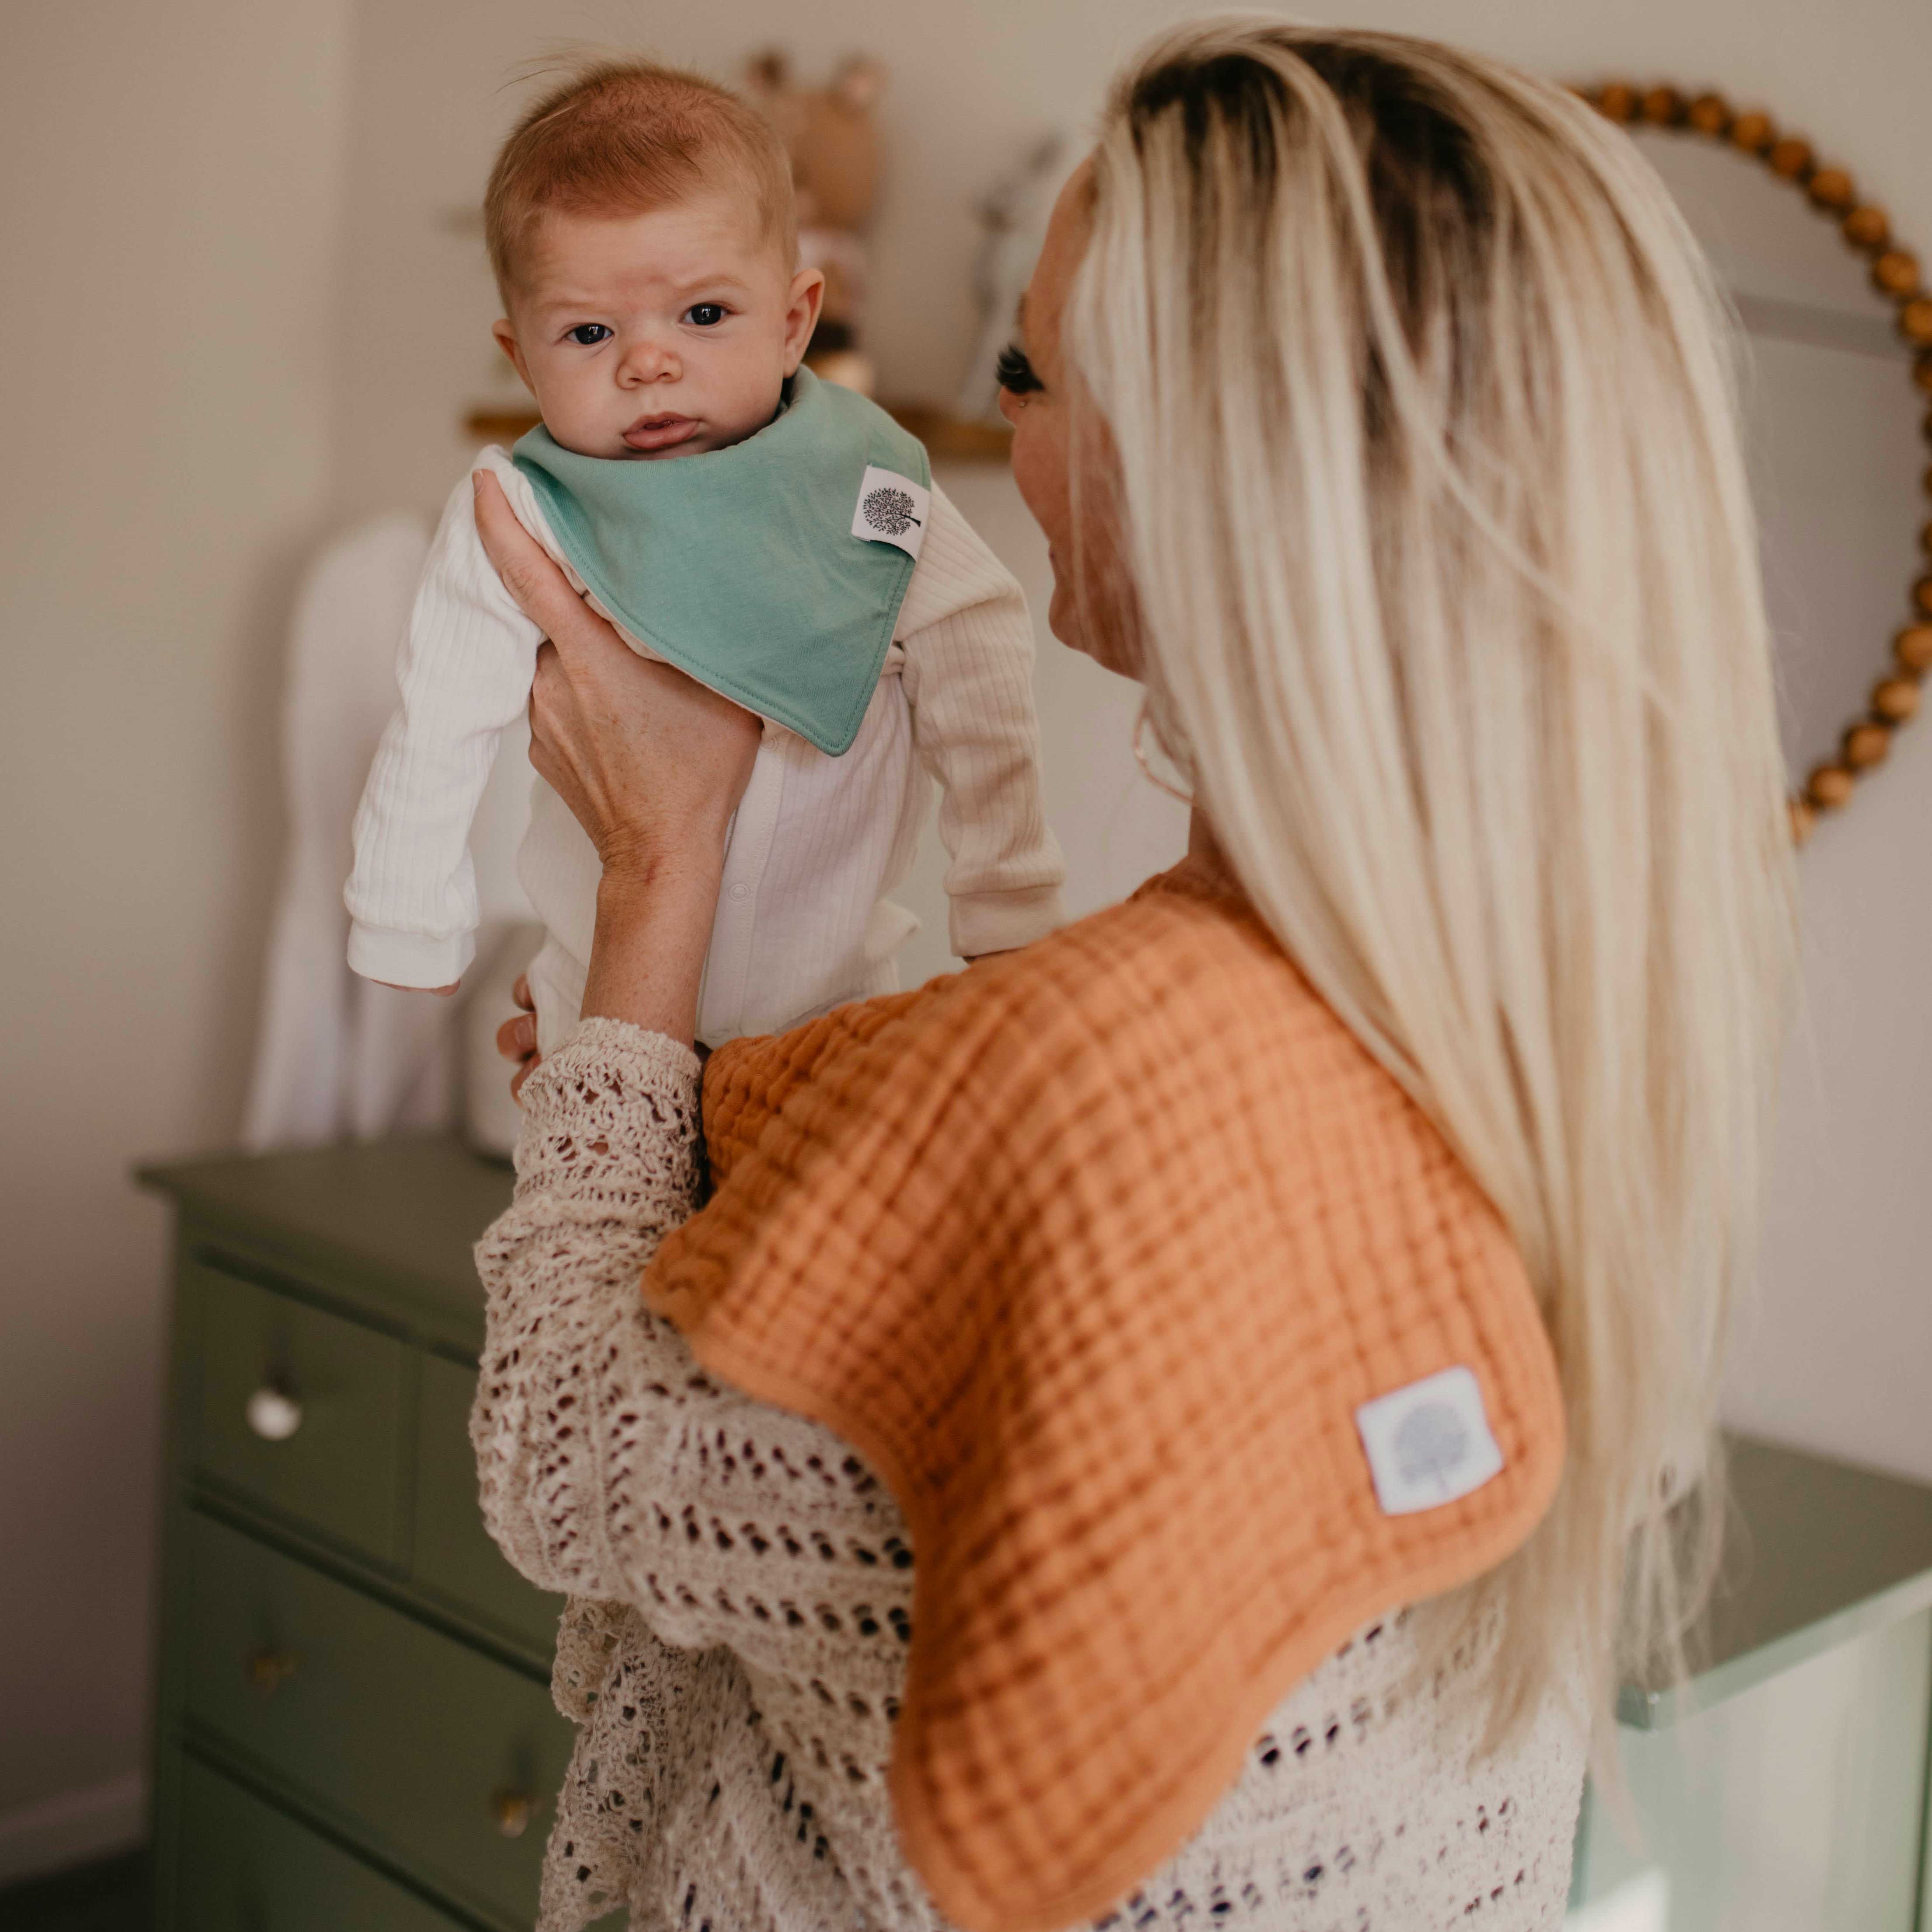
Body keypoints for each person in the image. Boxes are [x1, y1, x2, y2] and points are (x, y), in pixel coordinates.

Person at [468, 20, 1797, 1931]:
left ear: (1203, 470)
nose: (1004, 435)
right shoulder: (1567, 1048)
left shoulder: (1093, 1074)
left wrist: (650, 895)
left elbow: (567, 1455)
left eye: (1031, 372)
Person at [345, 60, 1064, 1053]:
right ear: (522, 359)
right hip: (593, 1000)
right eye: (589, 331)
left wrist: (1008, 903)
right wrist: (406, 912)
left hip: (836, 1010)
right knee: (606, 1203)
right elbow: (439, 715)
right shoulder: (526, 510)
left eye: (703, 315)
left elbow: (978, 654)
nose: (647, 362)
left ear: (794, 322)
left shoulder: (866, 484)